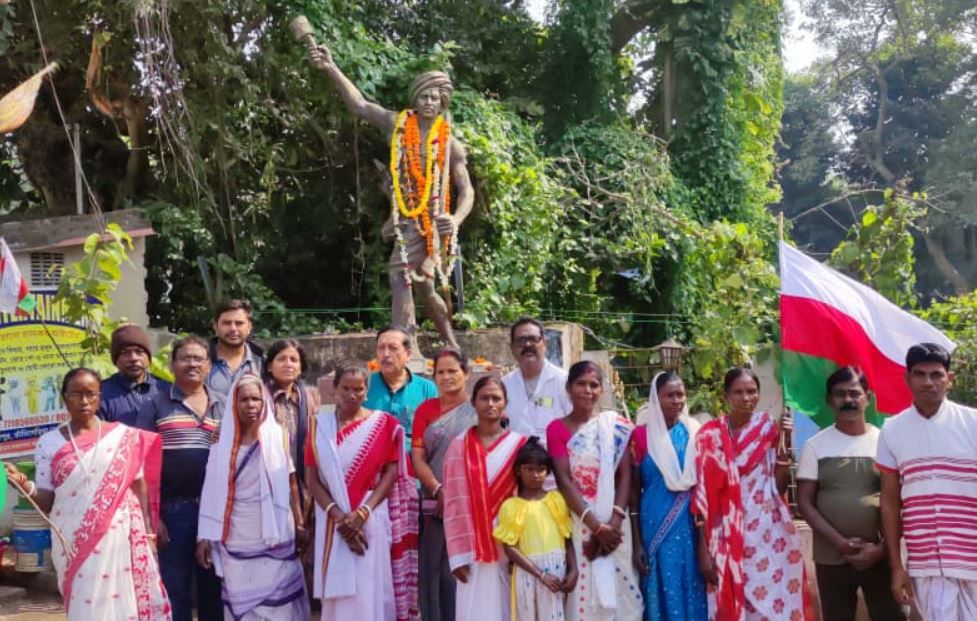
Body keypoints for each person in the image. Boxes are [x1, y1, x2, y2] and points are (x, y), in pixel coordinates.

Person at [305, 39, 474, 349]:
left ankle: (413, 346)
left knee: (410, 279)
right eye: (423, 96)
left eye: (435, 97)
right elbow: (360, 106)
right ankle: (433, 344)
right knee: (413, 282)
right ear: (415, 99)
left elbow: (467, 191)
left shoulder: (450, 143)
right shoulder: (398, 124)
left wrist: (455, 218)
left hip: (434, 224)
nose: (428, 102)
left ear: (443, 103)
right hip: (405, 219)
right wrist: (330, 67)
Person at [5, 368, 171, 620]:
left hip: (121, 538)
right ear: (64, 398)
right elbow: (48, 501)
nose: (84, 402)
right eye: (76, 395)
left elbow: (139, 486)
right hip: (73, 542)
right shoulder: (49, 442)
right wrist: (22, 484)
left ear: (99, 397)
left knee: (126, 606)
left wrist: (148, 532)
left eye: (91, 395)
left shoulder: (122, 437)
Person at [306, 363, 419, 621]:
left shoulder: (384, 424)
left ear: (367, 392)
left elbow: (391, 472)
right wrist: (339, 517)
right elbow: (312, 481)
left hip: (371, 516)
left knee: (370, 587)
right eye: (345, 388)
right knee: (339, 596)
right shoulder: (318, 428)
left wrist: (363, 513)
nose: (352, 394)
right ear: (334, 390)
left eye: (358, 389)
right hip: (332, 520)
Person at [693, 368, 806, 621]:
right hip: (722, 533)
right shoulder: (709, 437)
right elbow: (701, 497)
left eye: (752, 391)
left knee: (771, 604)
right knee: (728, 599)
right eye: (739, 392)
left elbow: (779, 487)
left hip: (766, 532)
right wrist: (703, 548)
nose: (746, 398)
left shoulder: (767, 430)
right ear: (725, 396)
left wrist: (785, 443)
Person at [195, 374, 310, 620]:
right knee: (243, 604)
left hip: (276, 530)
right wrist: (205, 536)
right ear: (234, 404)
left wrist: (299, 522)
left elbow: (290, 480)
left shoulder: (277, 436)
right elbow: (211, 489)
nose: (251, 405)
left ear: (264, 402)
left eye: (256, 399)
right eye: (244, 399)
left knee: (280, 603)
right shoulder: (222, 442)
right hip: (236, 534)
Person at [797, 367, 906, 621]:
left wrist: (879, 550)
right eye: (840, 394)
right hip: (831, 557)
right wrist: (840, 543)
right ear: (829, 400)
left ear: (867, 398)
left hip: (880, 555)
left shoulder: (885, 442)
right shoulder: (816, 445)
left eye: (855, 393)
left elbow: (899, 501)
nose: (848, 400)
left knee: (891, 615)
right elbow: (804, 502)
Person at [877, 343, 977, 620]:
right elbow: (889, 501)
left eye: (936, 375)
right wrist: (897, 567)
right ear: (907, 379)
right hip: (926, 564)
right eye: (920, 374)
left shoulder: (973, 424)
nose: (928, 382)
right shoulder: (892, 430)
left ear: (950, 380)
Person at [136, 335, 225, 621]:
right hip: (173, 512)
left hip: (214, 512)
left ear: (209, 365)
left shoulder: (223, 405)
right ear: (172, 365)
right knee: (176, 590)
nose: (192, 364)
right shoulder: (155, 405)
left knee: (214, 587)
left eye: (199, 358)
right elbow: (141, 463)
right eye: (185, 358)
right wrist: (154, 516)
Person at [546, 361, 643, 621]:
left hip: (615, 524)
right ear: (568, 388)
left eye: (594, 385)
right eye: (581, 384)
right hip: (580, 520)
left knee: (625, 594)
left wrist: (614, 521)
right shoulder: (556, 429)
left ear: (602, 390)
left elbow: (625, 475)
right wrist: (596, 526)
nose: (587, 390)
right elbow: (564, 480)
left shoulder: (616, 427)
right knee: (584, 595)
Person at [443, 376, 527, 621]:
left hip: (510, 546)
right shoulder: (458, 447)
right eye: (484, 398)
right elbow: (453, 504)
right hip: (471, 548)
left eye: (496, 398)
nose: (490, 403)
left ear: (505, 404)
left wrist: (521, 548)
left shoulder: (519, 446)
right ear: (473, 402)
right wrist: (457, 556)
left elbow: (525, 498)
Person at [631, 372, 707, 621]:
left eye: (681, 394)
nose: (677, 400)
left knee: (690, 579)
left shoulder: (696, 434)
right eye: (669, 395)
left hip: (689, 522)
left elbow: (702, 486)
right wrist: (637, 542)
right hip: (652, 522)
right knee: (659, 581)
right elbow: (634, 489)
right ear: (656, 398)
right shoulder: (641, 436)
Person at [411, 347, 478, 621]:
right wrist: (439, 490)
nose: (447, 377)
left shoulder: (478, 408)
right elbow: (418, 457)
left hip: (472, 505)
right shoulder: (426, 410)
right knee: (436, 573)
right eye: (441, 372)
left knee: (469, 571)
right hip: (435, 505)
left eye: (453, 371)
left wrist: (459, 497)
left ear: (466, 373)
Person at [494, 437, 577, 621]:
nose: (535, 474)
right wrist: (541, 574)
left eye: (541, 469)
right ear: (518, 470)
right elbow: (510, 547)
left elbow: (567, 537)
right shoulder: (511, 506)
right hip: (528, 573)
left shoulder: (556, 500)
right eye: (529, 469)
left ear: (547, 472)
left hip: (556, 573)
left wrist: (573, 570)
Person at [264, 338, 318, 506]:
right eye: (281, 359)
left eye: (294, 360)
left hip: (302, 478)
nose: (288, 364)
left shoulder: (308, 397)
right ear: (269, 366)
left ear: (300, 368)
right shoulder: (260, 396)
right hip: (269, 479)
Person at [365, 326, 437, 449]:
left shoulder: (426, 389)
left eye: (393, 348)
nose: (386, 354)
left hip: (414, 462)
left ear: (408, 354)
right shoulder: (364, 385)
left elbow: (433, 435)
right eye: (381, 348)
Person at [502, 317, 572, 442]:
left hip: (554, 459)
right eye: (521, 340)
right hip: (516, 458)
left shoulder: (564, 382)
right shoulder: (504, 386)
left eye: (533, 339)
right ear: (511, 347)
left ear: (545, 344)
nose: (528, 345)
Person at [98, 324, 171, 426]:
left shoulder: (166, 390)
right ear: (116, 360)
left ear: (148, 357)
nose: (133, 358)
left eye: (139, 352)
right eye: (125, 353)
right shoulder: (101, 394)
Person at [207, 299, 264, 397]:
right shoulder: (201, 360)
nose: (233, 329)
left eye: (239, 323)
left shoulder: (262, 363)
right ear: (215, 326)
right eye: (227, 323)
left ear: (249, 327)